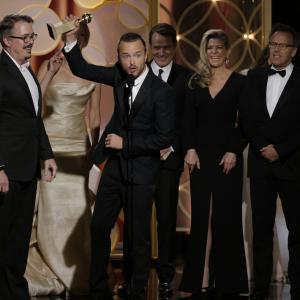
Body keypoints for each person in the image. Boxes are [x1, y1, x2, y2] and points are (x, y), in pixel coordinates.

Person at [62, 15, 175, 300]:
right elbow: (81, 67)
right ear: (119, 57)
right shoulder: (117, 75)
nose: (132, 62)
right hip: (114, 168)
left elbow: (164, 138)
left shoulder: (162, 92)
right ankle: (98, 288)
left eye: (137, 55)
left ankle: (136, 290)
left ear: (146, 55)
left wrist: (126, 143)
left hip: (142, 170)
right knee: (99, 226)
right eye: (126, 56)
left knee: (137, 238)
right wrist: (71, 37)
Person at [25, 22, 101, 296]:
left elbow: (93, 116)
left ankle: (75, 275)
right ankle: (49, 273)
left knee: (76, 215)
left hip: (77, 150)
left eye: (80, 36)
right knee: (50, 214)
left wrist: (92, 152)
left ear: (85, 38)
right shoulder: (48, 65)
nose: (76, 40)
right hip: (50, 148)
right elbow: (35, 102)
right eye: (71, 36)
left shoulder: (91, 71)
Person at [179, 29, 248, 299]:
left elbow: (246, 124)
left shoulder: (240, 83)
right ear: (204, 51)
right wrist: (190, 149)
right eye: (210, 48)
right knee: (201, 219)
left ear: (228, 51)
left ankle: (230, 282)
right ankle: (200, 277)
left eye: (219, 47)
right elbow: (187, 122)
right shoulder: (195, 82)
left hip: (227, 159)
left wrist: (234, 150)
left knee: (226, 219)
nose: (215, 52)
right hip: (200, 158)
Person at [240, 23, 300, 300]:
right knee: (261, 231)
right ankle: (260, 289)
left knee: (296, 229)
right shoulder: (253, 76)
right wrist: (263, 146)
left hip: (292, 165)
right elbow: (248, 118)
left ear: (294, 51)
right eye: (272, 44)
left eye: (282, 45)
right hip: (261, 163)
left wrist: (282, 149)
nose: (275, 49)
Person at [0, 14, 57, 300]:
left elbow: (34, 119)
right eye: (24, 37)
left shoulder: (28, 71)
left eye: (31, 36)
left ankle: (14, 292)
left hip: (27, 167)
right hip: (5, 171)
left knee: (19, 236)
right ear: (7, 41)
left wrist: (46, 154)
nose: (30, 42)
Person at [149, 23, 191, 298]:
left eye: (166, 47)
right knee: (138, 219)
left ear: (174, 48)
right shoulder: (137, 73)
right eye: (156, 47)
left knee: (166, 218)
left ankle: (165, 275)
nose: (161, 52)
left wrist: (174, 147)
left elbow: (188, 120)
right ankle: (134, 275)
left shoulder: (186, 78)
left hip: (170, 159)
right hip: (138, 158)